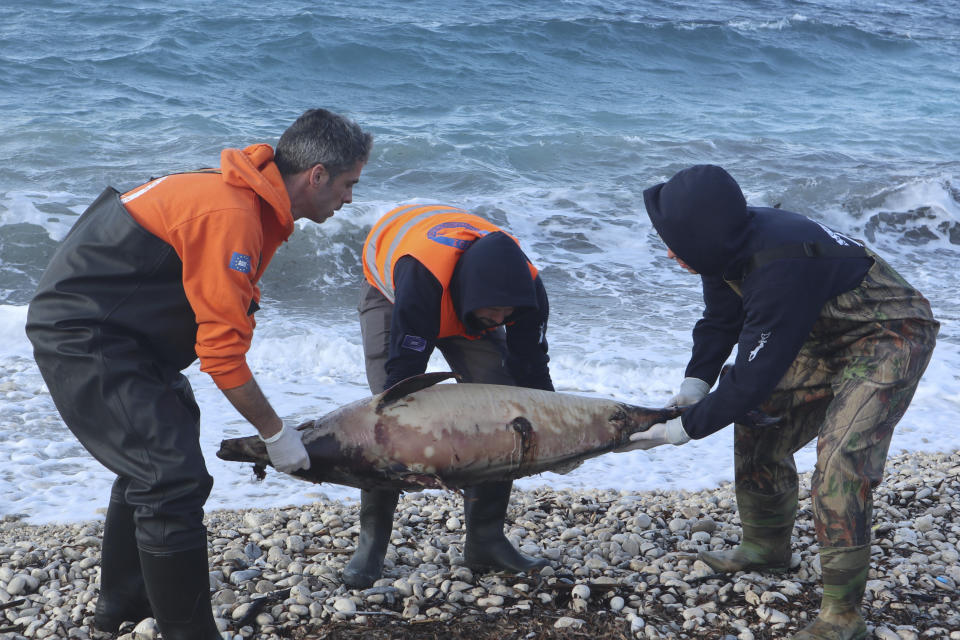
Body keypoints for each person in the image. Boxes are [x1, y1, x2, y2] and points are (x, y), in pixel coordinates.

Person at [25, 109, 372, 639]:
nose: (349, 198)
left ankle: (123, 605)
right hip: (86, 333)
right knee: (171, 477)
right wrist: (277, 436)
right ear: (317, 174)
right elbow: (222, 357)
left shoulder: (252, 203)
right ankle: (187, 632)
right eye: (348, 184)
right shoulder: (231, 213)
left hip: (132, 334)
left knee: (159, 452)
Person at [623, 165, 938, 639]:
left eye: (677, 243)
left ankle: (842, 614)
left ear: (704, 238)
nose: (670, 252)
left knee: (839, 463)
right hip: (815, 334)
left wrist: (678, 431)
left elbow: (752, 376)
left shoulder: (778, 264)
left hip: (888, 336)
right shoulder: (724, 245)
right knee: (759, 419)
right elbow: (720, 320)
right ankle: (766, 546)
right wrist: (694, 384)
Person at [345, 203, 554, 588]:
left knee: (502, 408)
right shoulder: (422, 279)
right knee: (391, 418)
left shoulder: (526, 293)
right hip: (394, 292)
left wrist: (552, 434)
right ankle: (372, 541)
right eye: (494, 314)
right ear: (471, 297)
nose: (499, 322)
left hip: (464, 295)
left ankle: (485, 540)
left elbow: (532, 370)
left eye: (507, 316)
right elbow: (403, 378)